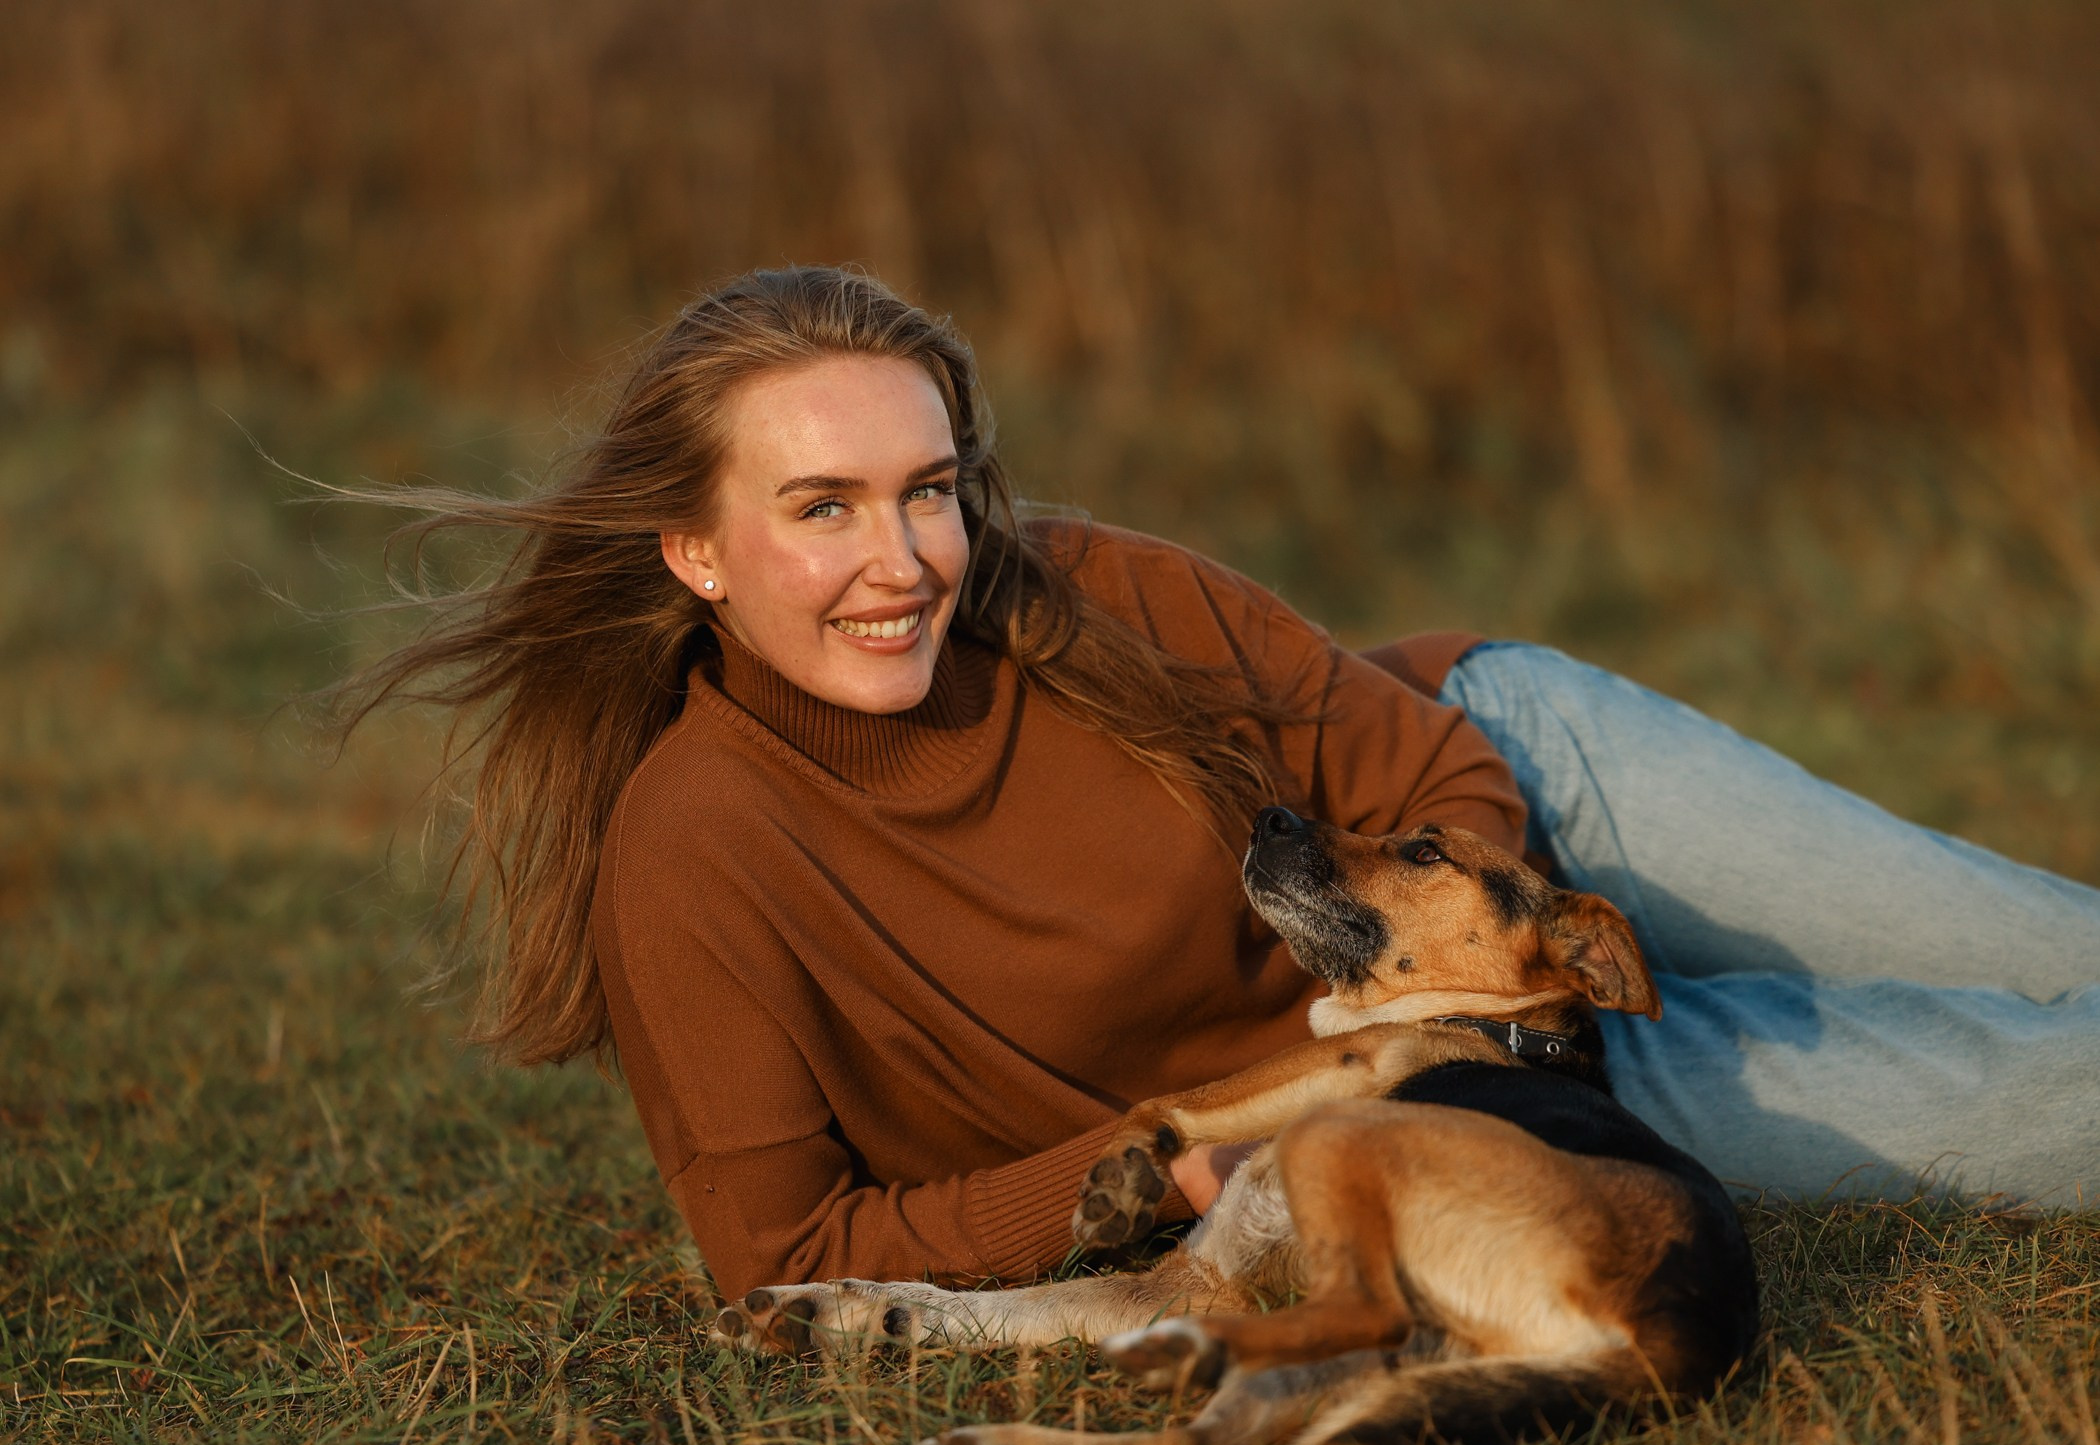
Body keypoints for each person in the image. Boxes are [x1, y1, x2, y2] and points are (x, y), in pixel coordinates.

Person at [338, 266, 2100, 1301]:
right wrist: (1172, 1171)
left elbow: (1420, 761)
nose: (903, 560)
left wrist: (1481, 956)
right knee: (2039, 1100)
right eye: (822, 507)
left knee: (2040, 943)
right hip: (1391, 1108)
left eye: (929, 489)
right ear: (695, 553)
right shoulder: (697, 849)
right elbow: (789, 1256)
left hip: (1510, 819)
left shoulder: (1092, 588)